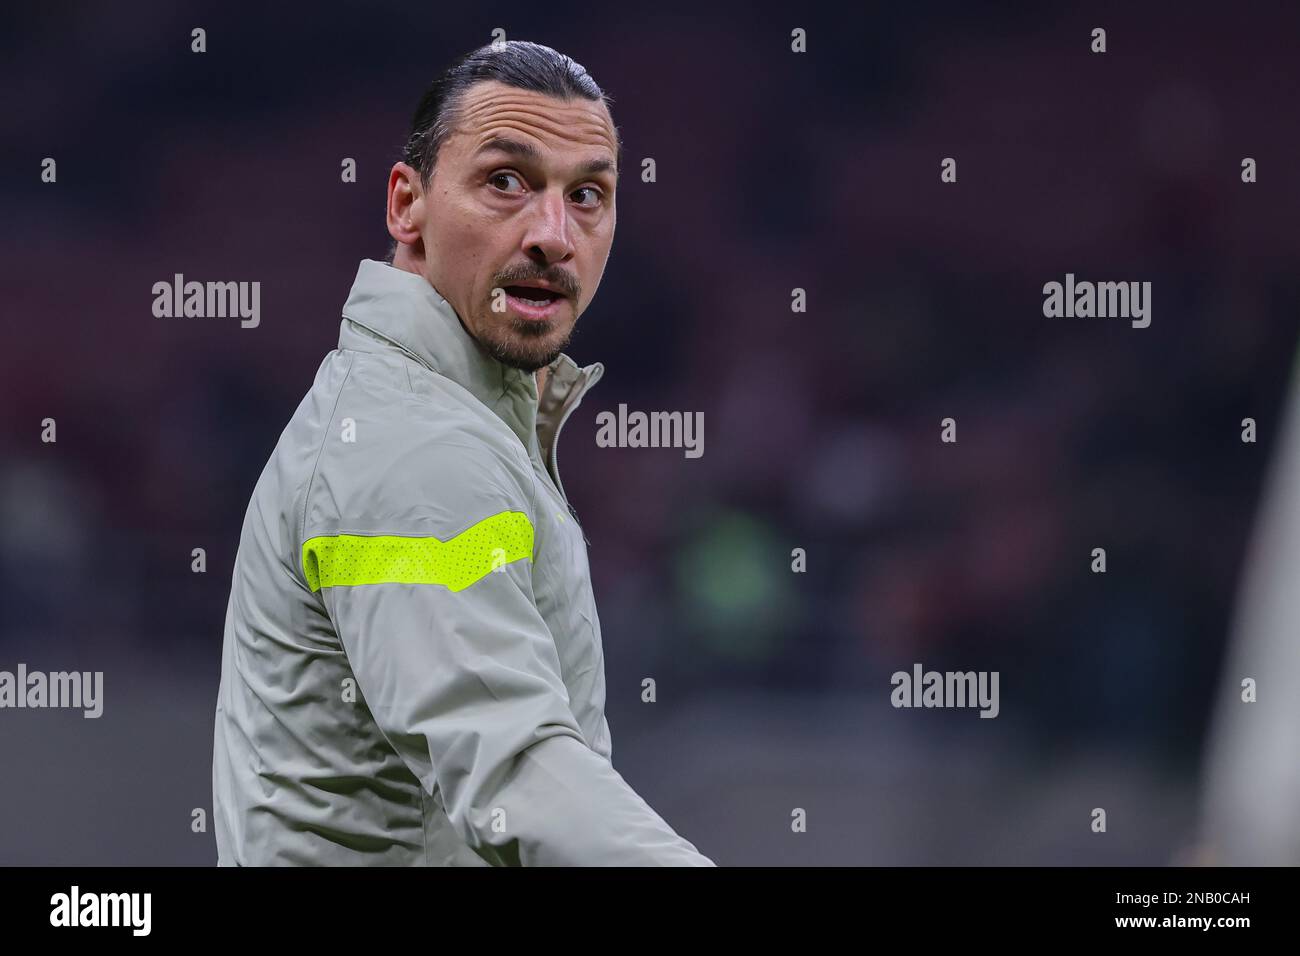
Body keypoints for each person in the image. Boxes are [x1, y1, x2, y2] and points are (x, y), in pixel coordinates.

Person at [211, 40, 714, 866]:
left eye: (588, 194)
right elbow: (516, 774)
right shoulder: (410, 449)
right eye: (505, 181)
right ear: (406, 205)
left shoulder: (450, 421)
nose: (554, 235)